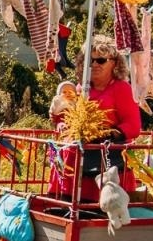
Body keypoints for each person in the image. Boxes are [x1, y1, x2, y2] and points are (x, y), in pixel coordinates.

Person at [51, 34, 142, 202]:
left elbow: (133, 124)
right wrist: (61, 122)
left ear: (114, 63)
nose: (94, 65)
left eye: (100, 61)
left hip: (107, 160)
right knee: (69, 205)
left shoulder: (122, 88)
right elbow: (66, 116)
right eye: (89, 61)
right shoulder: (80, 88)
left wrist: (108, 134)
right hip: (75, 159)